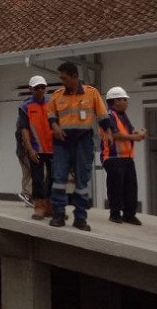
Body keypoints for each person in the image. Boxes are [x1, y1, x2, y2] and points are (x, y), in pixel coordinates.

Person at [47, 62, 111, 231]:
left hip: (83, 142)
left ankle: (80, 218)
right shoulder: (57, 95)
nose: (62, 81)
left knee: (82, 181)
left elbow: (103, 116)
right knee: (59, 179)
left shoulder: (91, 93)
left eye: (64, 78)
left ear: (74, 76)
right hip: (62, 143)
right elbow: (51, 115)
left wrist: (109, 133)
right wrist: (55, 127)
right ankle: (58, 215)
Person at [100, 86, 146, 225]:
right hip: (113, 157)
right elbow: (114, 134)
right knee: (116, 186)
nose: (126, 102)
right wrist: (134, 137)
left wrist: (137, 134)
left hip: (126, 157)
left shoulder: (123, 116)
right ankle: (115, 214)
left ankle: (129, 214)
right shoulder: (108, 115)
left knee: (131, 187)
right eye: (124, 99)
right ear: (115, 101)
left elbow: (126, 134)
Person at [18, 75, 54, 220]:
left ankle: (50, 206)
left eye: (42, 87)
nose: (40, 90)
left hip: (52, 149)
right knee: (37, 179)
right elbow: (24, 129)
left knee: (54, 177)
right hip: (36, 148)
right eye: (37, 88)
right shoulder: (25, 106)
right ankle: (39, 206)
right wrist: (30, 149)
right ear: (30, 89)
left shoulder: (52, 103)